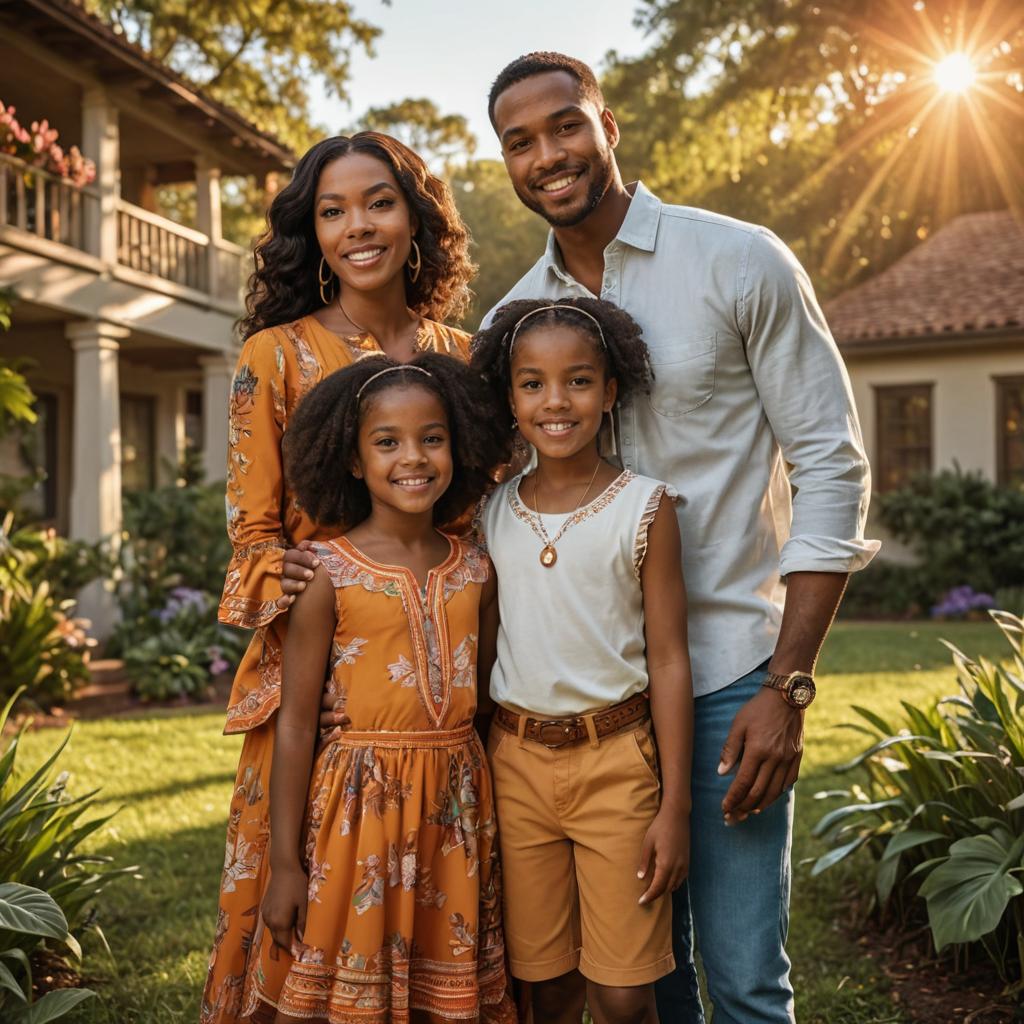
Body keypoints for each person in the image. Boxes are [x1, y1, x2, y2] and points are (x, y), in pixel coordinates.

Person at [481, 52, 881, 1024]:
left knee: (743, 980)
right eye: (519, 142)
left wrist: (787, 681)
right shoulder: (509, 327)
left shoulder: (739, 259)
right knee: (643, 984)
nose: (549, 154)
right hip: (597, 717)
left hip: (732, 677)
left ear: (608, 126)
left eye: (565, 124)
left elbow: (831, 464)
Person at [200, 131, 476, 1024]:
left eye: (379, 202)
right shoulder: (273, 358)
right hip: (315, 699)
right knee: (292, 928)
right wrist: (313, 647)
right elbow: (253, 543)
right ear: (310, 232)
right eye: (332, 210)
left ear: (416, 219)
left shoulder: (464, 357)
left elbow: (475, 527)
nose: (358, 225)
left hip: (436, 707)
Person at [236, 353, 516, 1023]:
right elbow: (299, 724)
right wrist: (283, 866)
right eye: (386, 442)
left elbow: (480, 703)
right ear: (354, 460)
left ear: (459, 445)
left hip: (454, 807)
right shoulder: (326, 573)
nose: (412, 458)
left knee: (439, 991)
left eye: (433, 438)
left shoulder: (476, 567)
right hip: (355, 814)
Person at [470, 297, 693, 1024]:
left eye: (578, 381)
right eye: (531, 384)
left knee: (624, 994)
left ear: (612, 391)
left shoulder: (645, 508)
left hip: (617, 763)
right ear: (510, 399)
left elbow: (668, 661)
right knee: (546, 987)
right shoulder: (493, 512)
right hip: (517, 764)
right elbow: (489, 641)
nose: (555, 401)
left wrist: (674, 805)